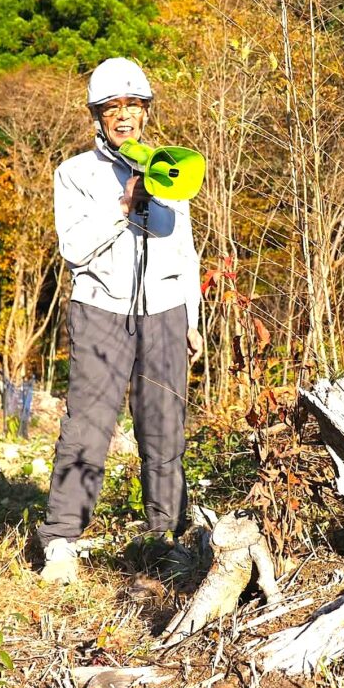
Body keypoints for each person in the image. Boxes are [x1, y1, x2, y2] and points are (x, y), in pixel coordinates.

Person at [37, 57, 203, 583]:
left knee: (164, 426)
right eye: (114, 108)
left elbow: (186, 251)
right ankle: (61, 538)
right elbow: (75, 249)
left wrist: (193, 318)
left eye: (134, 106)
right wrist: (123, 204)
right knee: (87, 426)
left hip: (166, 312)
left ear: (147, 112)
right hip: (100, 310)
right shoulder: (75, 173)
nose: (125, 116)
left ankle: (166, 537)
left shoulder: (169, 168)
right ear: (97, 116)